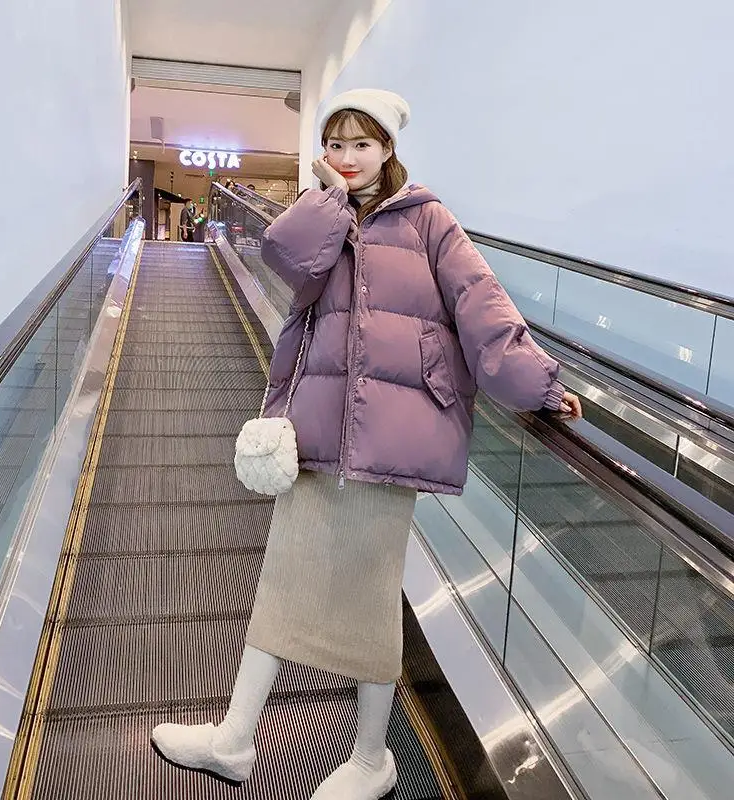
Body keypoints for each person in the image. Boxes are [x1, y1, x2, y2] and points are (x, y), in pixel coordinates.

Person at [152, 88, 582, 798]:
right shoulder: (325, 218)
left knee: (372, 598)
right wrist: (328, 196)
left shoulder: (428, 221)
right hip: (316, 432)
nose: (348, 157)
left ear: (389, 148)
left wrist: (538, 383)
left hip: (392, 439)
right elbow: (287, 257)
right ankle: (235, 737)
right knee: (282, 578)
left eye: (362, 143)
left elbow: (482, 306)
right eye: (336, 143)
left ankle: (372, 756)